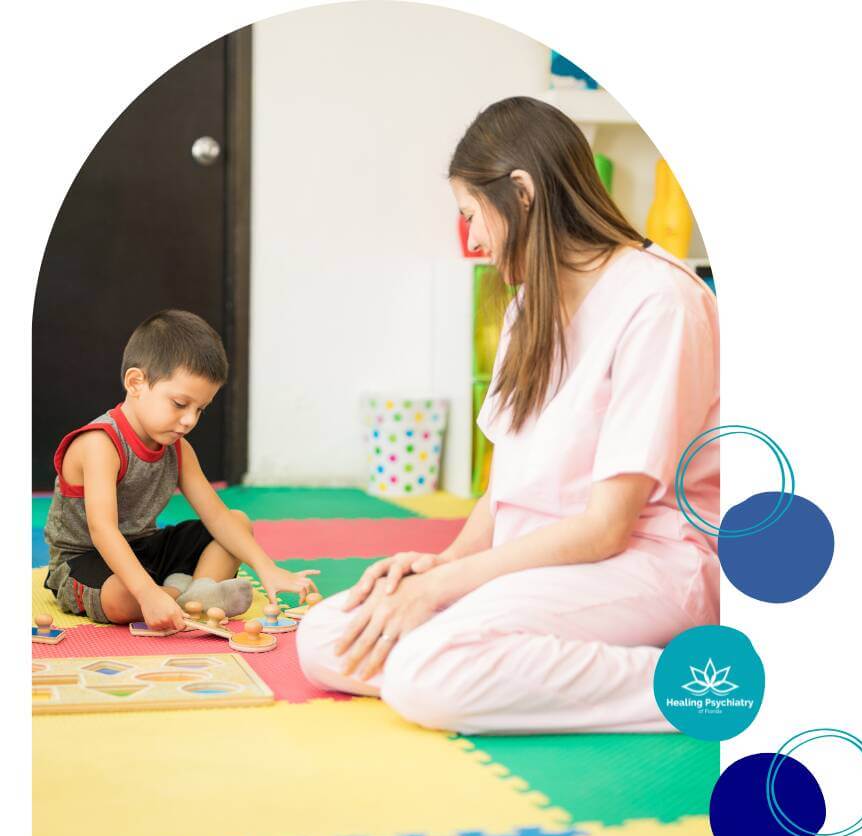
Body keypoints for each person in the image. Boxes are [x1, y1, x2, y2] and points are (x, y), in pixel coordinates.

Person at [296, 96, 719, 735]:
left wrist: (446, 589)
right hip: (540, 562)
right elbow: (504, 493)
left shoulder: (660, 301)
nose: (472, 239)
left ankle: (704, 686)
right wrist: (442, 566)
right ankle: (507, 665)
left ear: (522, 192)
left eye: (471, 214)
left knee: (425, 671)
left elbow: (608, 528)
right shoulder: (529, 306)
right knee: (328, 635)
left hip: (648, 564)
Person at [44, 309, 318, 630]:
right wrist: (146, 592)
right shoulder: (100, 444)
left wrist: (266, 567)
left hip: (145, 549)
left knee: (238, 523)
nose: (189, 420)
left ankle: (193, 593)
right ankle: (181, 593)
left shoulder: (178, 448)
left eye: (200, 409)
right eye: (179, 404)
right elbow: (103, 530)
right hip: (86, 558)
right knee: (123, 598)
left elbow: (217, 517)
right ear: (136, 382)